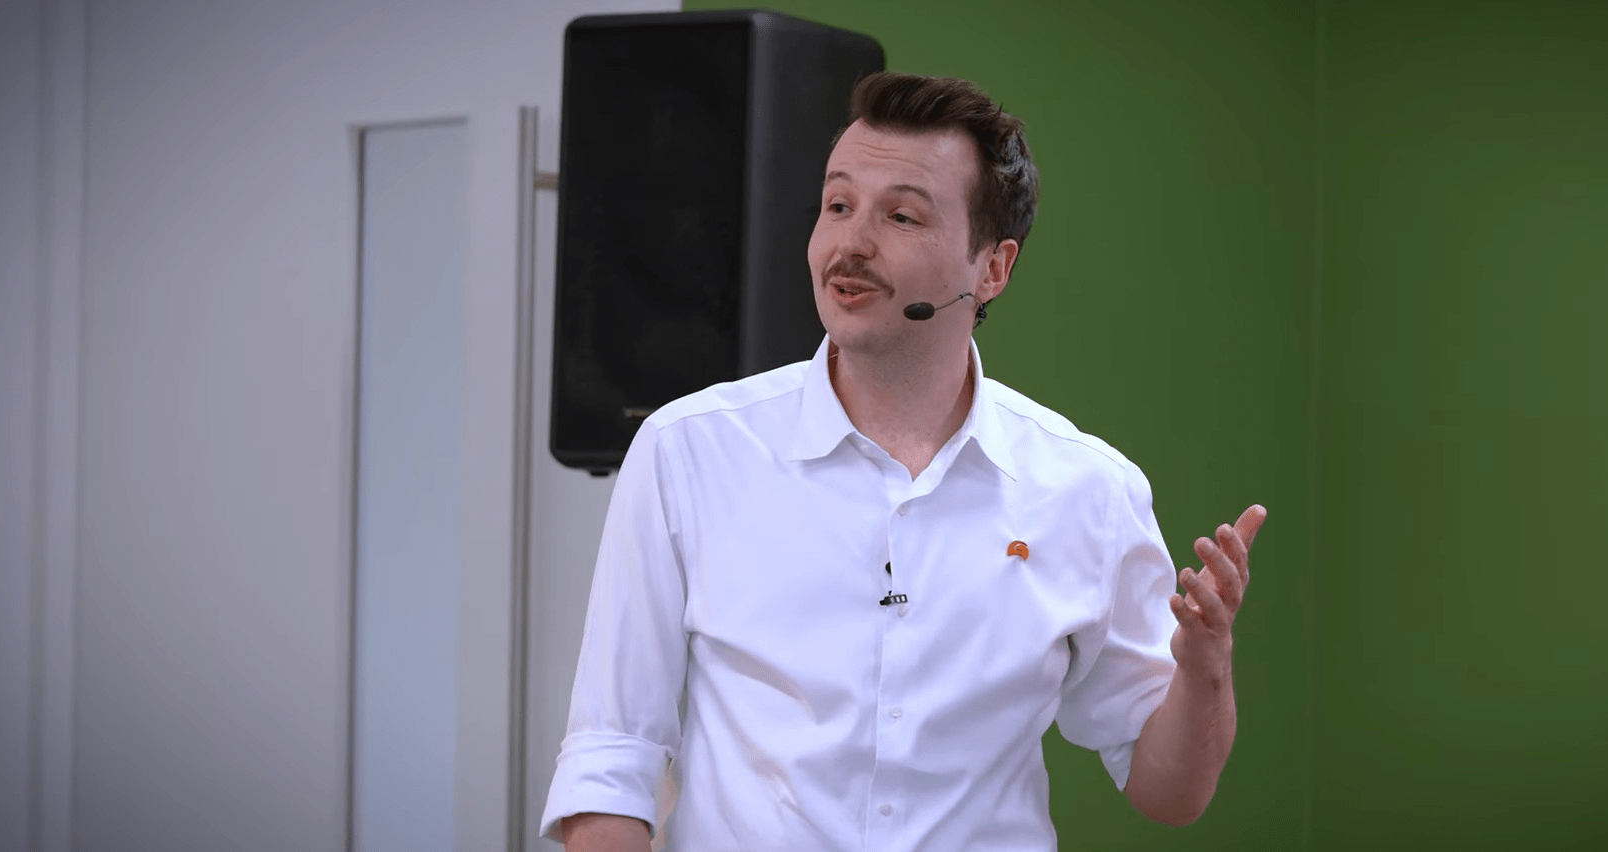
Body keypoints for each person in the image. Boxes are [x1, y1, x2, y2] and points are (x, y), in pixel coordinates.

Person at [541, 71, 1266, 852]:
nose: (850, 244)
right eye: (837, 205)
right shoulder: (689, 449)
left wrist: (1205, 669)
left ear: (991, 268)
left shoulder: (1089, 489)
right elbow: (610, 757)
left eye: (901, 216)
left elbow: (1169, 795)